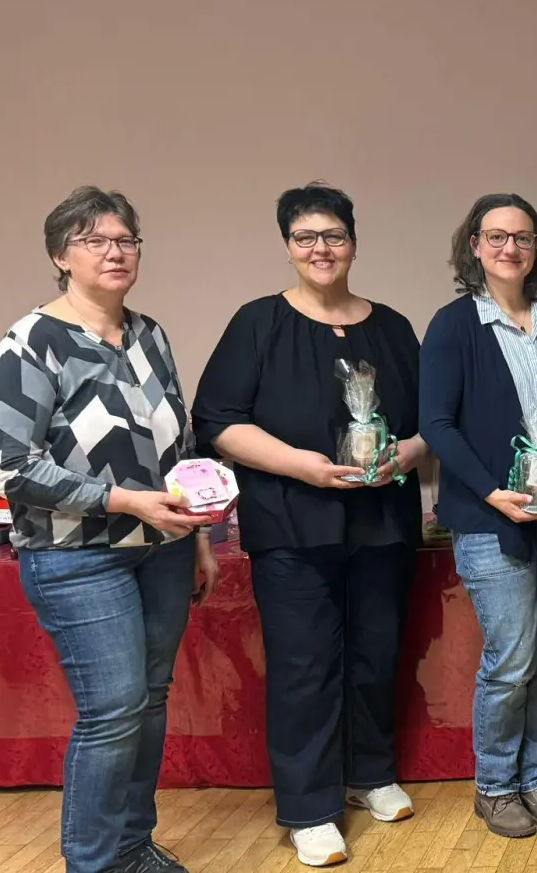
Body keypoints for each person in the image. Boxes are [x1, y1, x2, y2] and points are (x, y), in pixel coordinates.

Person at [0, 187, 218, 873]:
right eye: (94, 241)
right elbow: (7, 465)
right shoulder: (32, 341)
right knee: (112, 711)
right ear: (60, 255)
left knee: (147, 703)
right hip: (75, 558)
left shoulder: (150, 335)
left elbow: (180, 446)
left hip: (165, 552)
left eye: (126, 241)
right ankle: (93, 863)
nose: (115, 253)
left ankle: (130, 848)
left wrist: (196, 534)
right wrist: (123, 500)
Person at [191, 183, 427, 868]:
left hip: (382, 521)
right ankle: (308, 807)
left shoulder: (392, 327)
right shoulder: (258, 323)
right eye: (306, 238)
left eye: (334, 236)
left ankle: (370, 775)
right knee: (304, 667)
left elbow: (427, 425)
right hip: (292, 526)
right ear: (288, 247)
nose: (321, 249)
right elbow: (219, 423)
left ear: (354, 242)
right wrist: (299, 465)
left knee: (376, 656)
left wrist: (406, 454)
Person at [418, 194, 537, 839]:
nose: (509, 248)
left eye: (522, 237)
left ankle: (535, 776)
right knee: (512, 654)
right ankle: (495, 785)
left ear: (536, 247)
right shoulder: (454, 325)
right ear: (474, 245)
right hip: (493, 514)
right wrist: (492, 491)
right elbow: (436, 425)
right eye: (495, 237)